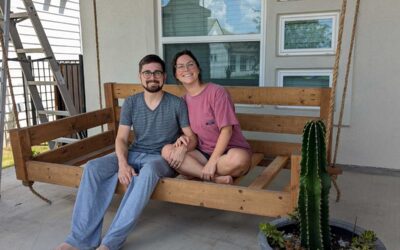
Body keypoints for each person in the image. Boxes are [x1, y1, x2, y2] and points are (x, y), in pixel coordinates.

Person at [56, 54, 196, 250]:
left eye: (157, 72)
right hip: (134, 152)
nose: (152, 76)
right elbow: (121, 139)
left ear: (164, 77)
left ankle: (110, 243)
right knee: (93, 167)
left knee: (146, 173)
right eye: (147, 72)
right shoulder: (131, 103)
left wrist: (183, 148)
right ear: (140, 77)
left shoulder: (176, 104)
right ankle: (79, 240)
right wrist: (123, 164)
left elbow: (192, 137)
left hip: (160, 159)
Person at [161, 50, 252, 185]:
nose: (186, 69)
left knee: (239, 160)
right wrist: (183, 141)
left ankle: (195, 171)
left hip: (229, 152)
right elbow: (191, 137)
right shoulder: (182, 102)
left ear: (198, 69)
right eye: (180, 66)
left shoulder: (217, 92)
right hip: (202, 153)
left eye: (190, 64)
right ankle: (213, 177)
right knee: (167, 151)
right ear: (176, 75)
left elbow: (227, 130)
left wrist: (212, 162)